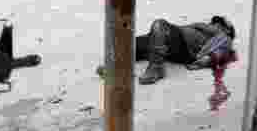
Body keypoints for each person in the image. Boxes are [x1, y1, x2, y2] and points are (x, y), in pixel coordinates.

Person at [97, 16, 238, 85]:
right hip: (173, 42)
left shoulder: (223, 37)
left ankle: (156, 68)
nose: (214, 24)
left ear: (226, 29)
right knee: (136, 42)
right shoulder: (203, 28)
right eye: (215, 22)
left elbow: (223, 53)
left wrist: (205, 61)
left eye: (219, 23)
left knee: (159, 25)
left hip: (184, 45)